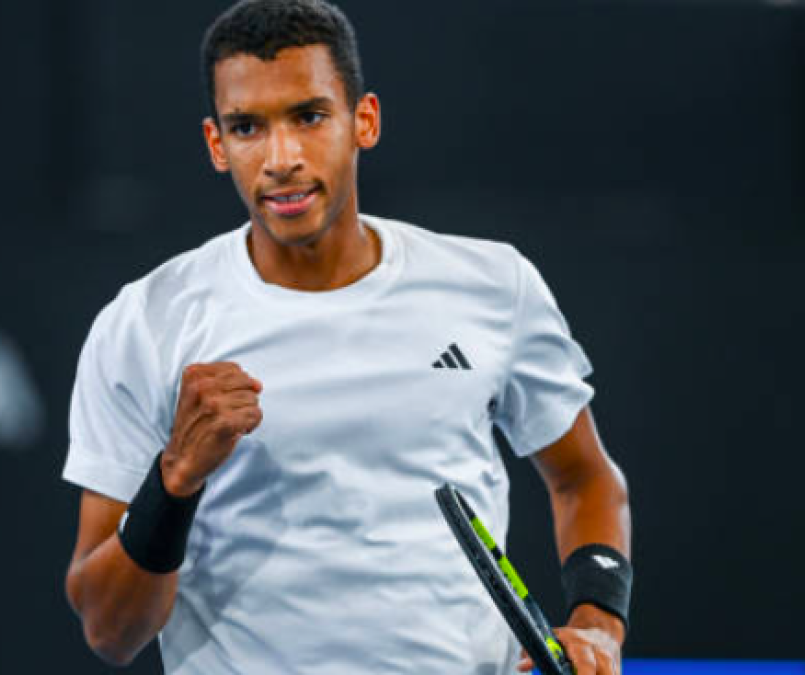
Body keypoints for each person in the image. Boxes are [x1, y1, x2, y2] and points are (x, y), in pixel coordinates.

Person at [62, 1, 632, 673]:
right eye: (247, 127)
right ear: (218, 145)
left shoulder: (495, 285)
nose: (281, 158)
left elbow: (584, 477)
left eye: (308, 116)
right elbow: (109, 629)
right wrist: (175, 480)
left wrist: (596, 624)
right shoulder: (145, 321)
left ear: (364, 120)